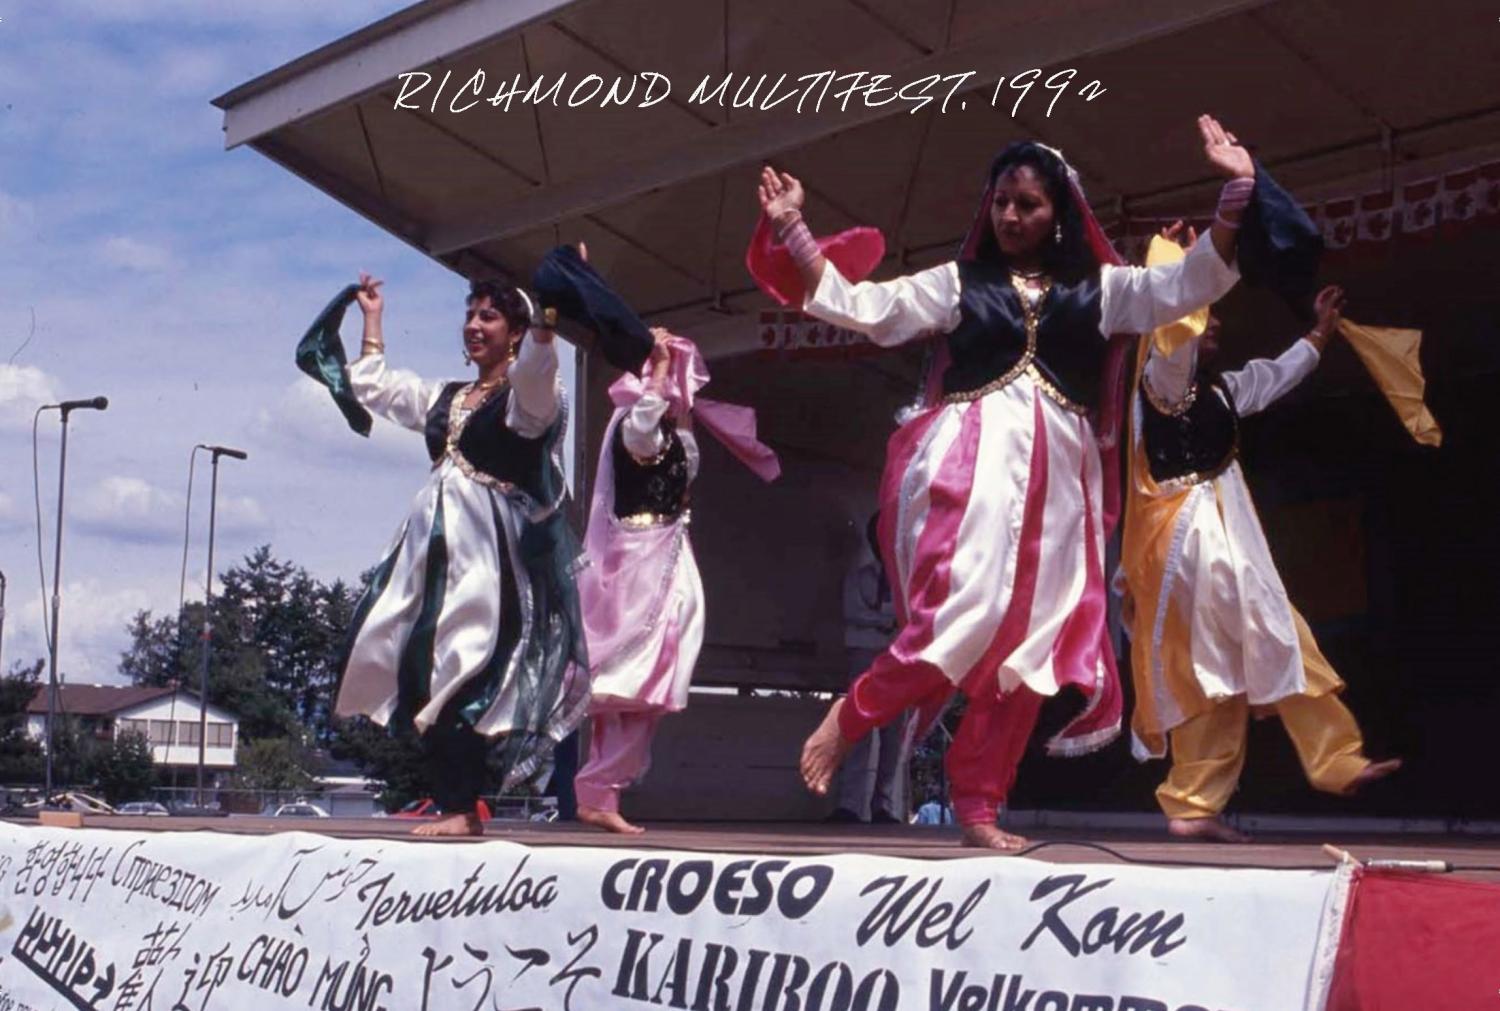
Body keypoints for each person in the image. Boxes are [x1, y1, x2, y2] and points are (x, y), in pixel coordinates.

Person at [757, 115, 1259, 850]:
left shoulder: (1104, 289)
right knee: (965, 609)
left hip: (1063, 481)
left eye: (1028, 204)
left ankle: (979, 803)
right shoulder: (960, 282)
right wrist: (795, 229)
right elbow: (869, 309)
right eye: (1001, 203)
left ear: (1059, 210)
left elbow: (1185, 285)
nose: (1012, 216)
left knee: (1034, 642)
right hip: (976, 461)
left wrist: (1237, 193)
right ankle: (852, 714)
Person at [1120, 228, 1400, 842]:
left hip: (1212, 540)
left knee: (1215, 672)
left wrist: (1321, 335)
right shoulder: (1162, 387)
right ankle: (1334, 760)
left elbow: (1274, 375)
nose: (1213, 327)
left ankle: (1193, 805)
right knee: (1275, 634)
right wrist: (1180, 263)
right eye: (1203, 319)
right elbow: (1171, 325)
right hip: (1190, 537)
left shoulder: (1220, 391)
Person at [331, 271, 588, 836]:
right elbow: (374, 386)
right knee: (416, 665)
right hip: (429, 556)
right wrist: (373, 319)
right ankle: (457, 804)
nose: (473, 325)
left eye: (488, 316)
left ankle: (462, 808)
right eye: (469, 314)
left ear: (516, 332)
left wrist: (547, 329)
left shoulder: (526, 400)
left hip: (486, 559)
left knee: (465, 667)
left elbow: (538, 386)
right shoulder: (449, 399)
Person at [830, 515, 911, 824]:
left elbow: (908, 618)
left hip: (894, 658)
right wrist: (885, 622)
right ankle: (849, 805)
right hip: (864, 655)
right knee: (857, 728)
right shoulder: (860, 576)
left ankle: (884, 807)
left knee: (892, 737)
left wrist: (884, 622)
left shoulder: (905, 580)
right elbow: (854, 612)